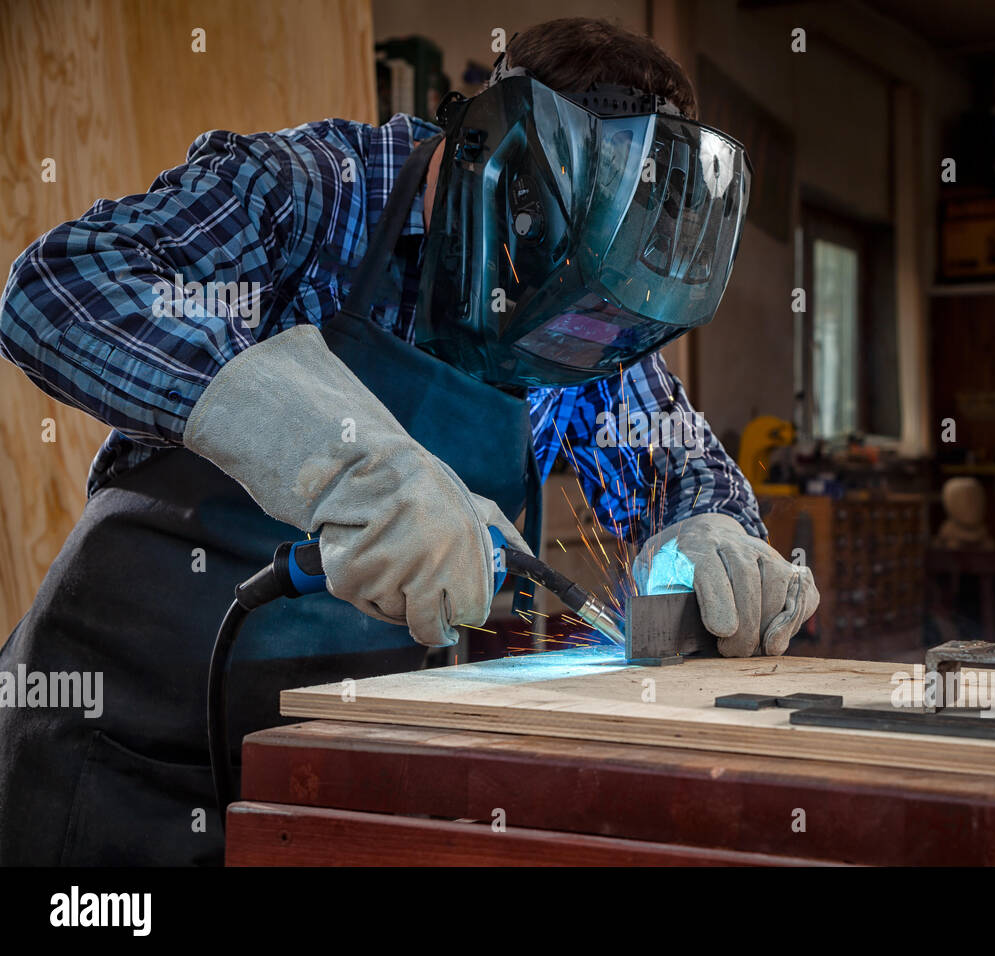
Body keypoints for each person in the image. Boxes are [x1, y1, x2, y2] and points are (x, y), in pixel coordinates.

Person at [0, 17, 818, 865]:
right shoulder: (310, 190)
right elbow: (62, 286)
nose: (569, 353)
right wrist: (341, 462)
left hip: (340, 755)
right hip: (120, 747)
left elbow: (685, 469)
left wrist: (710, 534)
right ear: (497, 171)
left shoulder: (586, 312)